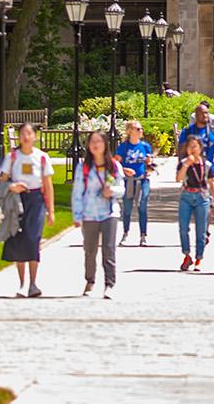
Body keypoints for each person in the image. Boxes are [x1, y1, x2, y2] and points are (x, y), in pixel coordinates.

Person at [0, 123, 56, 298]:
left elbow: (48, 184)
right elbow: (2, 180)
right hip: (17, 200)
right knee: (18, 238)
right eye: (22, 133)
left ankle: (33, 282)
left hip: (35, 200)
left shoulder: (42, 157)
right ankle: (22, 283)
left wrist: (51, 210)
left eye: (29, 133)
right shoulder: (12, 157)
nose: (25, 137)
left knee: (33, 238)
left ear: (35, 136)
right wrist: (12, 186)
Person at [73, 132, 125, 299]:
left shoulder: (114, 166)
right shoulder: (84, 167)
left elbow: (122, 188)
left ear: (105, 144)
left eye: (99, 141)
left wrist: (112, 191)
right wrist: (77, 215)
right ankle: (90, 280)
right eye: (92, 142)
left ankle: (110, 283)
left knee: (109, 249)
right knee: (90, 250)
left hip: (109, 212)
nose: (95, 145)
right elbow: (77, 192)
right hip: (90, 214)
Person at [177, 105, 214, 225]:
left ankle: (205, 229)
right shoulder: (188, 132)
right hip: (191, 172)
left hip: (208, 171)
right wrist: (180, 170)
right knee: (194, 203)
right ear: (196, 115)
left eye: (207, 113)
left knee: (207, 202)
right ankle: (201, 227)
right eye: (202, 113)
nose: (205, 116)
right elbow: (181, 152)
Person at [176, 137, 214, 272]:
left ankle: (199, 258)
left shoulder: (207, 164)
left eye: (195, 146)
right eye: (189, 147)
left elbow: (211, 184)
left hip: (202, 196)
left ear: (200, 148)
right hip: (186, 195)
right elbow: (178, 178)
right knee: (183, 228)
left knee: (201, 230)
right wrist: (186, 164)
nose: (192, 149)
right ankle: (187, 255)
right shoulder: (183, 163)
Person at [115, 121, 154, 246]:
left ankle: (143, 236)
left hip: (142, 179)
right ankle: (125, 233)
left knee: (142, 206)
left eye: (141, 129)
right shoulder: (124, 147)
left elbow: (150, 163)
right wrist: (125, 170)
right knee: (127, 208)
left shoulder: (145, 146)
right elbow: (115, 164)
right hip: (128, 181)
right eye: (138, 129)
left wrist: (149, 164)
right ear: (130, 131)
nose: (140, 131)